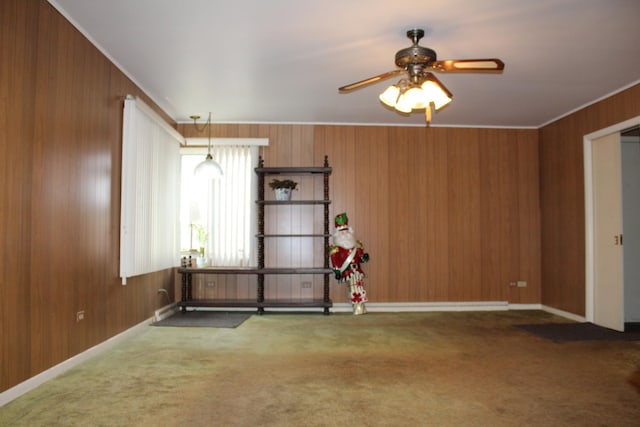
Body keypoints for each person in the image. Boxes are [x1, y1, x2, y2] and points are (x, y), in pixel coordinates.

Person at [329, 213, 370, 315]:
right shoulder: (335, 248)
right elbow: (335, 261)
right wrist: (337, 271)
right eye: (341, 231)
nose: (344, 233)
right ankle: (358, 307)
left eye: (346, 230)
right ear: (337, 233)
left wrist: (364, 258)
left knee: (359, 287)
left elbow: (360, 257)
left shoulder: (356, 244)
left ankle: (360, 307)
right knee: (354, 288)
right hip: (347, 271)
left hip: (357, 270)